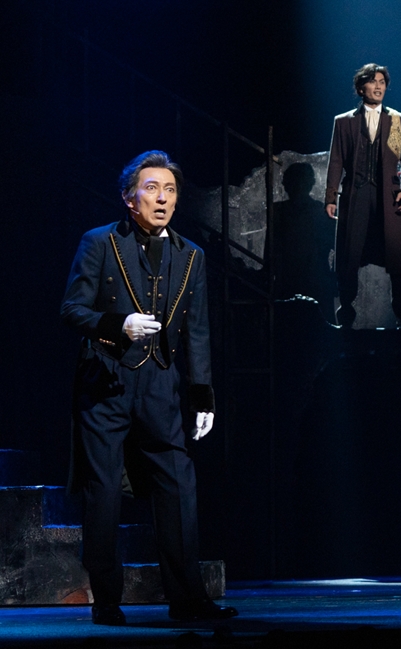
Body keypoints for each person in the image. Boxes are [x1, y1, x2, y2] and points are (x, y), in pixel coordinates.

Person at [61, 151, 238, 625]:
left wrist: (202, 395)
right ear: (129, 197)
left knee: (178, 484)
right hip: (106, 379)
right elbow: (72, 310)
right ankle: (106, 599)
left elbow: (197, 331)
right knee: (103, 489)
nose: (162, 198)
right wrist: (119, 324)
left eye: (170, 190)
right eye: (152, 188)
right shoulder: (100, 242)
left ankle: (188, 599)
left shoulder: (191, 255)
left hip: (161, 382)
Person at [325, 63, 401, 327]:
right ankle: (346, 315)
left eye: (382, 82)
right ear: (360, 88)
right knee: (349, 256)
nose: (378, 87)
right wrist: (331, 197)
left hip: (388, 198)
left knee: (396, 258)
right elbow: (336, 161)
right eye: (373, 81)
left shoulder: (397, 120)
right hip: (356, 195)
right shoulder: (344, 122)